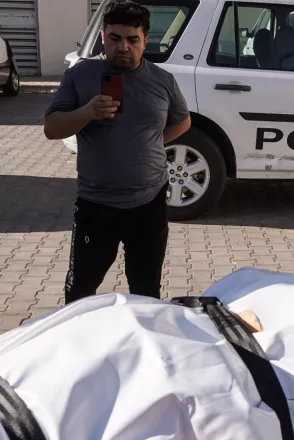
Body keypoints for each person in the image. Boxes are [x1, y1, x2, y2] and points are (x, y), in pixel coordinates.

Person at [43, 0, 191, 304]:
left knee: (146, 290)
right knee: (80, 291)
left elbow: (183, 122)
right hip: (97, 205)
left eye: (132, 39)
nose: (123, 46)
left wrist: (150, 143)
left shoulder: (163, 80)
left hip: (148, 203)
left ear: (145, 41)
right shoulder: (81, 75)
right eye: (115, 38)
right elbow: (52, 129)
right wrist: (87, 112)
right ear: (102, 37)